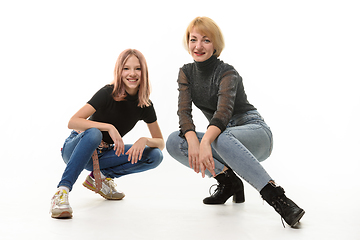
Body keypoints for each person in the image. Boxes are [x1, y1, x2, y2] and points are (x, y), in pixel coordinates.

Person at [166, 17, 305, 227]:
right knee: (174, 142)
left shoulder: (227, 72)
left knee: (220, 138)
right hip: (222, 139)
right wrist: (192, 138)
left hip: (253, 132)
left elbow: (222, 114)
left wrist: (204, 142)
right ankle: (228, 182)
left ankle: (277, 197)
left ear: (215, 45)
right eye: (193, 39)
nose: (198, 46)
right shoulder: (186, 72)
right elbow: (183, 112)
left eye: (206, 40)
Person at [50, 49, 164, 219]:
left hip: (102, 155)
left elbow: (160, 142)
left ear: (144, 72)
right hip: (76, 147)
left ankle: (100, 178)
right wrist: (108, 127)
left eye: (137, 68)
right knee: (95, 133)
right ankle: (61, 192)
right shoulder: (107, 93)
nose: (132, 73)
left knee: (155, 155)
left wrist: (145, 140)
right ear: (119, 71)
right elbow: (73, 121)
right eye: (126, 68)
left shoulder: (145, 105)